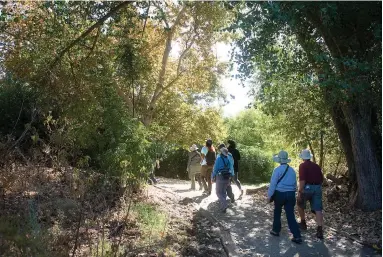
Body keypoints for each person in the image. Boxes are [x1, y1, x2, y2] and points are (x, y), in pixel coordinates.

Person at [267, 150, 302, 244]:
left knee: (277, 212)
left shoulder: (277, 170)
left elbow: (273, 184)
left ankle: (275, 230)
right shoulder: (292, 170)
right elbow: (295, 184)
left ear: (279, 160)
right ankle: (297, 236)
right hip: (290, 194)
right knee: (290, 215)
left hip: (279, 194)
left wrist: (269, 195)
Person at [297, 149, 324, 239]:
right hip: (317, 187)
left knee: (300, 203)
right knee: (318, 209)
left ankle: (303, 223)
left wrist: (300, 191)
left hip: (307, 187)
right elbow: (321, 179)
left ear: (303, 158)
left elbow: (302, 180)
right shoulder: (316, 166)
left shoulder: (302, 166)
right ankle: (320, 230)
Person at [212, 146, 234, 213]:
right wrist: (231, 177)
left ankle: (224, 205)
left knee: (218, 192)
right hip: (227, 177)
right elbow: (231, 168)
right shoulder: (228, 159)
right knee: (223, 192)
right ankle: (223, 207)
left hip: (220, 176)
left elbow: (215, 169)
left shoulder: (218, 159)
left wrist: (213, 176)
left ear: (221, 153)